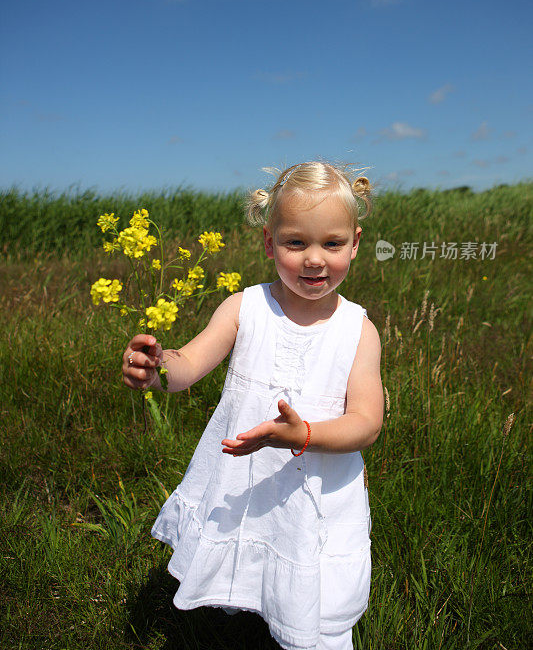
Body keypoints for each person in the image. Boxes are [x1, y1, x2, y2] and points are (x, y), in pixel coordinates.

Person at [122, 161, 383, 650]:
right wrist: (158, 367)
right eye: (294, 243)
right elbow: (189, 366)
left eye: (332, 244)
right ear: (269, 242)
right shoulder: (246, 308)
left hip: (316, 494)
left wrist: (304, 435)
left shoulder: (357, 331)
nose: (314, 260)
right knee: (260, 559)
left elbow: (366, 424)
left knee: (314, 596)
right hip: (246, 482)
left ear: (355, 243)